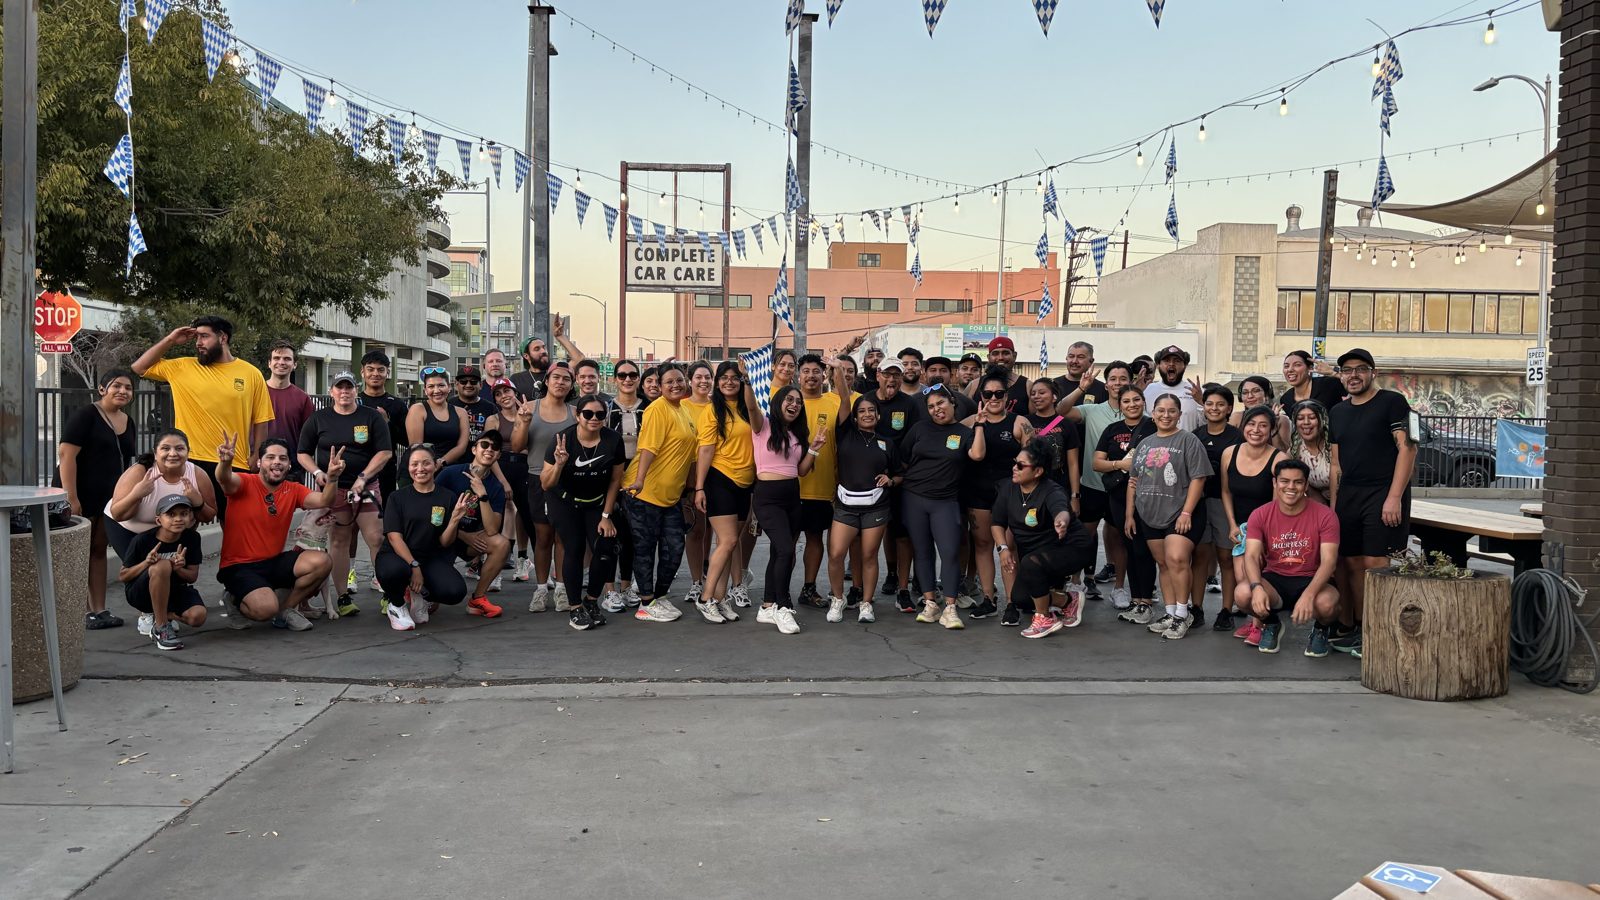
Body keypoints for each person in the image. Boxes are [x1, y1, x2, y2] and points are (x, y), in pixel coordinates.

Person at [131, 316, 273, 525]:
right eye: (196, 337)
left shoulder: (251, 374)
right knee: (183, 525)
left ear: (223, 338)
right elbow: (139, 367)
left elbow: (262, 419)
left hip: (232, 462)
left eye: (204, 336)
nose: (198, 342)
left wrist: (256, 455)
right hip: (189, 462)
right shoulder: (182, 366)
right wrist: (170, 339)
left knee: (234, 525)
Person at [1328, 348, 1416, 658]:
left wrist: (1394, 497)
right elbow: (1336, 464)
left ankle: (1380, 634)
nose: (1353, 375)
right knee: (1351, 562)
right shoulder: (1337, 412)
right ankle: (1360, 627)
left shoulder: (1393, 402)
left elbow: (1408, 449)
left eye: (1360, 369)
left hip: (1383, 491)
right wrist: (1335, 507)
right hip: (1349, 494)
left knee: (1376, 564)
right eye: (1347, 370)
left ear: (1373, 373)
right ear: (1341, 376)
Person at [215, 435, 340, 630]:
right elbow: (224, 479)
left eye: (283, 458)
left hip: (273, 562)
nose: (277, 462)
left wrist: (332, 478)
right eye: (270, 457)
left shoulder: (293, 489)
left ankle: (286, 610)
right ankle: (234, 599)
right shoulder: (244, 482)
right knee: (265, 609)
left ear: (289, 464)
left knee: (322, 561)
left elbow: (325, 501)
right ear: (259, 462)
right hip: (238, 566)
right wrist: (225, 463)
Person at [297, 370, 393, 618]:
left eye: (349, 387)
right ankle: (342, 597)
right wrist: (318, 472)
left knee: (376, 538)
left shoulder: (371, 417)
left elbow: (385, 452)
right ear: (331, 392)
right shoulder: (318, 418)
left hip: (365, 488)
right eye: (339, 387)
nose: (344, 392)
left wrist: (363, 477)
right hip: (334, 489)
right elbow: (302, 452)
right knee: (339, 540)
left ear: (355, 390)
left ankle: (389, 594)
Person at [374, 445, 497, 630]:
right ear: (408, 467)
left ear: (435, 465)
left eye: (426, 463)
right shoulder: (397, 497)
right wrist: (414, 566)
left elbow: (445, 542)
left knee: (455, 591)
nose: (420, 469)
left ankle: (420, 596)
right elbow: (394, 538)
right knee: (395, 571)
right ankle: (397, 605)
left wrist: (454, 520)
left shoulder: (447, 497)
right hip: (397, 556)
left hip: (429, 558)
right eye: (414, 464)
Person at [1126, 393, 1212, 640]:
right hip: (1150, 513)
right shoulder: (1145, 443)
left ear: (1179, 414)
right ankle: (1170, 612)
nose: (1166, 415)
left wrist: (1186, 512)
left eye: (1172, 411)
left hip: (1180, 513)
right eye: (1161, 411)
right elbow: (1133, 480)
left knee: (1177, 559)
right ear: (1153, 414)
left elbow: (1199, 478)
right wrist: (1130, 514)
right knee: (1163, 563)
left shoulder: (1188, 440)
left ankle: (1183, 615)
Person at [900, 386, 986, 629]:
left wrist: (979, 425)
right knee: (922, 551)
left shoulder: (964, 432)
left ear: (952, 403)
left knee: (949, 552)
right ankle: (930, 603)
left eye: (941, 403)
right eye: (931, 406)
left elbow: (977, 455)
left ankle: (950, 607)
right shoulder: (919, 429)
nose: (936, 409)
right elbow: (903, 459)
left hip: (945, 501)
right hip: (914, 498)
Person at [58, 369, 137, 630]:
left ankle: (99, 609)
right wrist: (71, 497)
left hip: (109, 497)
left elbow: (127, 462)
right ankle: (77, 611)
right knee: (78, 552)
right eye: (116, 386)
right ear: (102, 389)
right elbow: (66, 455)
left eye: (128, 387)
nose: (122, 391)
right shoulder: (86, 415)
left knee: (99, 548)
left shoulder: (128, 421)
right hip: (80, 493)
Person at [994, 441, 1097, 638]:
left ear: (1038, 471)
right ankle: (1068, 601)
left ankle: (1044, 619)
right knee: (1020, 598)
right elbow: (996, 523)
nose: (1014, 468)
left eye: (1021, 465)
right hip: (1041, 552)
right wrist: (1003, 548)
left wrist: (1061, 521)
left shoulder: (1051, 490)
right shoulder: (1008, 489)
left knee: (1030, 563)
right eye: (1015, 462)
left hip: (1072, 547)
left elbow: (1060, 509)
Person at [1238, 459, 1341, 655]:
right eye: (1284, 481)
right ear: (1275, 483)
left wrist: (1309, 595)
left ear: (1306, 485)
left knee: (1327, 604)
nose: (1291, 487)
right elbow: (1250, 556)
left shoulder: (1325, 515)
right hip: (1275, 579)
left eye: (1298, 482)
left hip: (1312, 578)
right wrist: (1256, 587)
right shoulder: (1260, 514)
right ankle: (1272, 624)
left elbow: (1329, 561)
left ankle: (1320, 630)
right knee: (1243, 594)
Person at [748, 383, 827, 634]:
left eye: (798, 402)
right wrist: (747, 381)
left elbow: (801, 470)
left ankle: (767, 606)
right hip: (768, 498)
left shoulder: (797, 434)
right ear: (778, 402)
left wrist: (814, 448)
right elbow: (751, 406)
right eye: (789, 399)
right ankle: (783, 606)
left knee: (780, 553)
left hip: (793, 497)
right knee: (785, 549)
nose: (795, 404)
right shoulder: (763, 426)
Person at [542, 394, 626, 631]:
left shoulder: (613, 440)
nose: (594, 418)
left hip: (596, 502)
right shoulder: (562, 440)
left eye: (600, 414)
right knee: (574, 548)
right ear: (578, 416)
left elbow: (615, 480)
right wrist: (559, 464)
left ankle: (591, 600)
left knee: (606, 547)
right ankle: (575, 607)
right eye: (588, 414)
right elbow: (546, 484)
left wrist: (606, 516)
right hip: (565, 501)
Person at [622, 364, 697, 622]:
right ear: (660, 386)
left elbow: (690, 455)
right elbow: (648, 448)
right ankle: (646, 603)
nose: (675, 385)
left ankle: (659, 596)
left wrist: (690, 489)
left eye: (679, 380)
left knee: (674, 548)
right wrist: (639, 480)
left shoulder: (685, 409)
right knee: (645, 549)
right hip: (643, 494)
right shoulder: (657, 409)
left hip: (671, 497)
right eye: (669, 382)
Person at [826, 361, 899, 624]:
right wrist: (838, 370)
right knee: (836, 553)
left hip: (876, 507)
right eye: (862, 411)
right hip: (845, 506)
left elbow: (900, 473)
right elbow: (845, 398)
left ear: (878, 416)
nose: (867, 414)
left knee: (869, 555)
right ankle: (838, 599)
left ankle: (866, 603)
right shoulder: (845, 433)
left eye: (871, 411)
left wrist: (891, 479)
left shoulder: (887, 443)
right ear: (855, 417)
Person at [963, 370, 1032, 619]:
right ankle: (988, 598)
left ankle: (1012, 602)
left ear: (1007, 396)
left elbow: (1032, 459)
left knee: (1008, 547)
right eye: (988, 394)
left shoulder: (1020, 423)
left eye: (999, 393)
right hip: (978, 493)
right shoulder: (969, 423)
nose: (993, 398)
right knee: (982, 545)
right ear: (981, 396)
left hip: (1010, 494)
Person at [693, 360, 756, 622]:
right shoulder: (712, 411)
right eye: (724, 377)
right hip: (720, 480)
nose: (729, 382)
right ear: (717, 383)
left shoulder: (747, 408)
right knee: (728, 541)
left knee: (727, 545)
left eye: (734, 378)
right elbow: (705, 450)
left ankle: (719, 599)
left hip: (745, 482)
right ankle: (705, 598)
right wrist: (699, 487)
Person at [512, 361, 576, 612]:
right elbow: (517, 447)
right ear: (546, 381)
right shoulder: (529, 407)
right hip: (537, 478)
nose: (561, 382)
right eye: (556, 377)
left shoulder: (575, 413)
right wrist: (524, 422)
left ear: (571, 385)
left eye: (566, 379)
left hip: (566, 481)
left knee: (563, 537)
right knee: (543, 537)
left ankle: (561, 588)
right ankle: (540, 589)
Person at [1218, 405, 1283, 641]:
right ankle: (1256, 619)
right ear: (1243, 426)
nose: (1256, 430)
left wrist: (1265, 536)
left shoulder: (1279, 459)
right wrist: (1232, 524)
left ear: (1272, 430)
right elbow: (1226, 491)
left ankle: (1262, 625)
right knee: (1241, 580)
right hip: (1239, 527)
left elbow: (1278, 505)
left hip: (1266, 528)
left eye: (1263, 425)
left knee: (1257, 577)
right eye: (1251, 424)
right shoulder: (1229, 453)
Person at [865, 358, 924, 609]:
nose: (892, 379)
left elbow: (917, 438)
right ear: (878, 374)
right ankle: (871, 583)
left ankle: (903, 588)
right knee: (875, 533)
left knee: (902, 534)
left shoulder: (910, 404)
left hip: (901, 478)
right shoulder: (866, 400)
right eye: (887, 374)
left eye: (896, 375)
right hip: (869, 478)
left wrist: (903, 470)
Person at [106, 429, 216, 560]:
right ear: (155, 453)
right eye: (165, 448)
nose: (173, 454)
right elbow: (117, 514)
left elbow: (209, 516)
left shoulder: (198, 475)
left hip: (172, 534)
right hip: (129, 530)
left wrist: (198, 503)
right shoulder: (140, 472)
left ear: (188, 452)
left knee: (174, 569)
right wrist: (136, 494)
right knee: (143, 571)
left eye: (179, 448)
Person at [1071, 361, 1134, 592]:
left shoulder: (1142, 416)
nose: (1118, 383)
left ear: (1131, 382)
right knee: (1083, 537)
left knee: (1119, 539)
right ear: (1106, 384)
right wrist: (1082, 388)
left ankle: (1119, 588)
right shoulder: (1092, 410)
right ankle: (1075, 582)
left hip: (1123, 489)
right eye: (1113, 379)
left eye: (1123, 379)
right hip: (1092, 486)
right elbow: (1061, 411)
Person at [796, 351, 852, 608]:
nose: (811, 376)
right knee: (785, 544)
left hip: (822, 488)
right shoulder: (790, 402)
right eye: (806, 371)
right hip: (790, 487)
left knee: (815, 538)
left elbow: (846, 400)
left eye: (816, 372)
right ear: (798, 376)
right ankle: (778, 593)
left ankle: (808, 588)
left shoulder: (832, 402)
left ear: (823, 376)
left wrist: (838, 368)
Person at [1097, 387, 1158, 623]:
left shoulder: (1154, 426)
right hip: (1119, 496)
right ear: (1119, 405)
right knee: (1129, 546)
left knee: (1144, 549)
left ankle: (1147, 600)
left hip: (1149, 495)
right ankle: (1136, 599)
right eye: (1126, 401)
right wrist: (1119, 465)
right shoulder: (1112, 430)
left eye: (1136, 399)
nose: (1132, 404)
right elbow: (1096, 463)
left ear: (1144, 402)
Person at [435, 432, 511, 616]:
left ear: (498, 456)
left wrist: (482, 495)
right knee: (434, 601)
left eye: (495, 448)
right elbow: (431, 512)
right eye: (484, 445)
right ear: (474, 449)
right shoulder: (450, 474)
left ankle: (477, 598)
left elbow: (492, 530)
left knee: (502, 544)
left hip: (471, 541)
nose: (489, 449)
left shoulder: (495, 487)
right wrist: (462, 535)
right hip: (441, 536)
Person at [118, 495, 206, 651]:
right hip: (142, 594)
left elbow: (192, 577)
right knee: (162, 565)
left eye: (184, 514)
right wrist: (146, 563)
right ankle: (161, 627)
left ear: (191, 517)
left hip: (174, 590)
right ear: (159, 520)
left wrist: (178, 569)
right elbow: (123, 576)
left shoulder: (192, 538)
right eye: (171, 514)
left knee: (198, 616)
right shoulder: (142, 540)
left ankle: (163, 615)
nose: (178, 519)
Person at [1191, 384, 1243, 630]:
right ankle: (1196, 608)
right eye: (1210, 404)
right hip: (1199, 502)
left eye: (1220, 404)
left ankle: (1226, 610)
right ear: (1203, 407)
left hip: (1226, 503)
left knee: (1226, 557)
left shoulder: (1237, 436)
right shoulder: (1195, 435)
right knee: (1200, 555)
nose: (1214, 408)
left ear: (1229, 408)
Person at [599, 359, 650, 611]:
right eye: (622, 375)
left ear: (638, 378)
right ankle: (609, 589)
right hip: (612, 475)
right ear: (614, 379)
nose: (627, 379)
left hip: (643, 475)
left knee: (633, 535)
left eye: (632, 375)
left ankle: (627, 586)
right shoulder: (606, 409)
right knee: (610, 532)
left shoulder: (649, 408)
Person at [482, 379, 531, 581]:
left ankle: (524, 559)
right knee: (497, 517)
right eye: (498, 393)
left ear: (515, 393)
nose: (504, 396)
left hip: (525, 467)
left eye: (507, 391)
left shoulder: (528, 414)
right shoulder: (493, 419)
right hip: (500, 467)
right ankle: (495, 569)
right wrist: (503, 481)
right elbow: (489, 453)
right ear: (495, 399)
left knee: (528, 516)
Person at [681, 361, 717, 608]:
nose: (703, 381)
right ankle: (696, 581)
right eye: (699, 377)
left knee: (713, 528)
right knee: (695, 529)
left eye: (707, 377)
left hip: (719, 472)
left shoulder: (718, 406)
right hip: (690, 474)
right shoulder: (681, 406)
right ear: (690, 380)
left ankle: (709, 572)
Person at [356, 350, 412, 501]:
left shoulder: (397, 405)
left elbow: (407, 440)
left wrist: (387, 422)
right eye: (370, 369)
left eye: (380, 370)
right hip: (357, 469)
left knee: (384, 510)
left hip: (385, 471)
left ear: (388, 373)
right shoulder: (354, 402)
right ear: (362, 372)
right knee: (356, 508)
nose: (375, 374)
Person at [263, 341, 315, 480]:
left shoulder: (303, 399)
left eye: (287, 359)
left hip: (292, 470)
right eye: (276, 358)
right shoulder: (255, 393)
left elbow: (309, 437)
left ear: (294, 364)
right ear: (269, 363)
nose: (281, 362)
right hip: (258, 467)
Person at [406, 366, 470, 466]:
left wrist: (441, 462)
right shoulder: (417, 410)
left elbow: (462, 447)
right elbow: (416, 447)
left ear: (449, 387)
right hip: (422, 467)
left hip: (450, 467)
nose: (436, 391)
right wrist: (431, 465)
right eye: (431, 386)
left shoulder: (461, 413)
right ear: (425, 390)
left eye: (441, 385)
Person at [1143, 345, 1204, 432]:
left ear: (1185, 365)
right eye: (1166, 361)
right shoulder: (1148, 390)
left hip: (1187, 441)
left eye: (1177, 361)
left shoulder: (1196, 392)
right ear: (1158, 365)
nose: (1171, 364)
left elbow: (1204, 425)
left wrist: (1201, 402)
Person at [1289, 400, 1333, 505]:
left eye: (1312, 417)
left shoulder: (1334, 445)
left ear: (1322, 420)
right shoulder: (1294, 451)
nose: (1306, 422)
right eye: (1300, 418)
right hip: (1319, 501)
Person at [1279, 350, 1345, 415]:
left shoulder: (1328, 384)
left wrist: (1333, 373)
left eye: (1297, 365)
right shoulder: (1286, 399)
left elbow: (1350, 384)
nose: (1290, 369)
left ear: (1310, 368)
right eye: (1286, 366)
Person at [978, 337, 1030, 412]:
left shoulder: (1027, 386)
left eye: (1005, 353)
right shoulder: (974, 385)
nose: (1000, 358)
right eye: (995, 354)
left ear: (1014, 356)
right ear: (989, 357)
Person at [450, 364, 497, 444]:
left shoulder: (490, 408)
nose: (468, 385)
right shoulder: (448, 405)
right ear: (456, 385)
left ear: (480, 385)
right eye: (463, 382)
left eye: (473, 382)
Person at [510, 335, 552, 403]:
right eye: (537, 349)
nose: (543, 351)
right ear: (526, 356)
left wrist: (560, 337)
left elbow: (574, 360)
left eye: (544, 347)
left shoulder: (555, 374)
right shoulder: (516, 379)